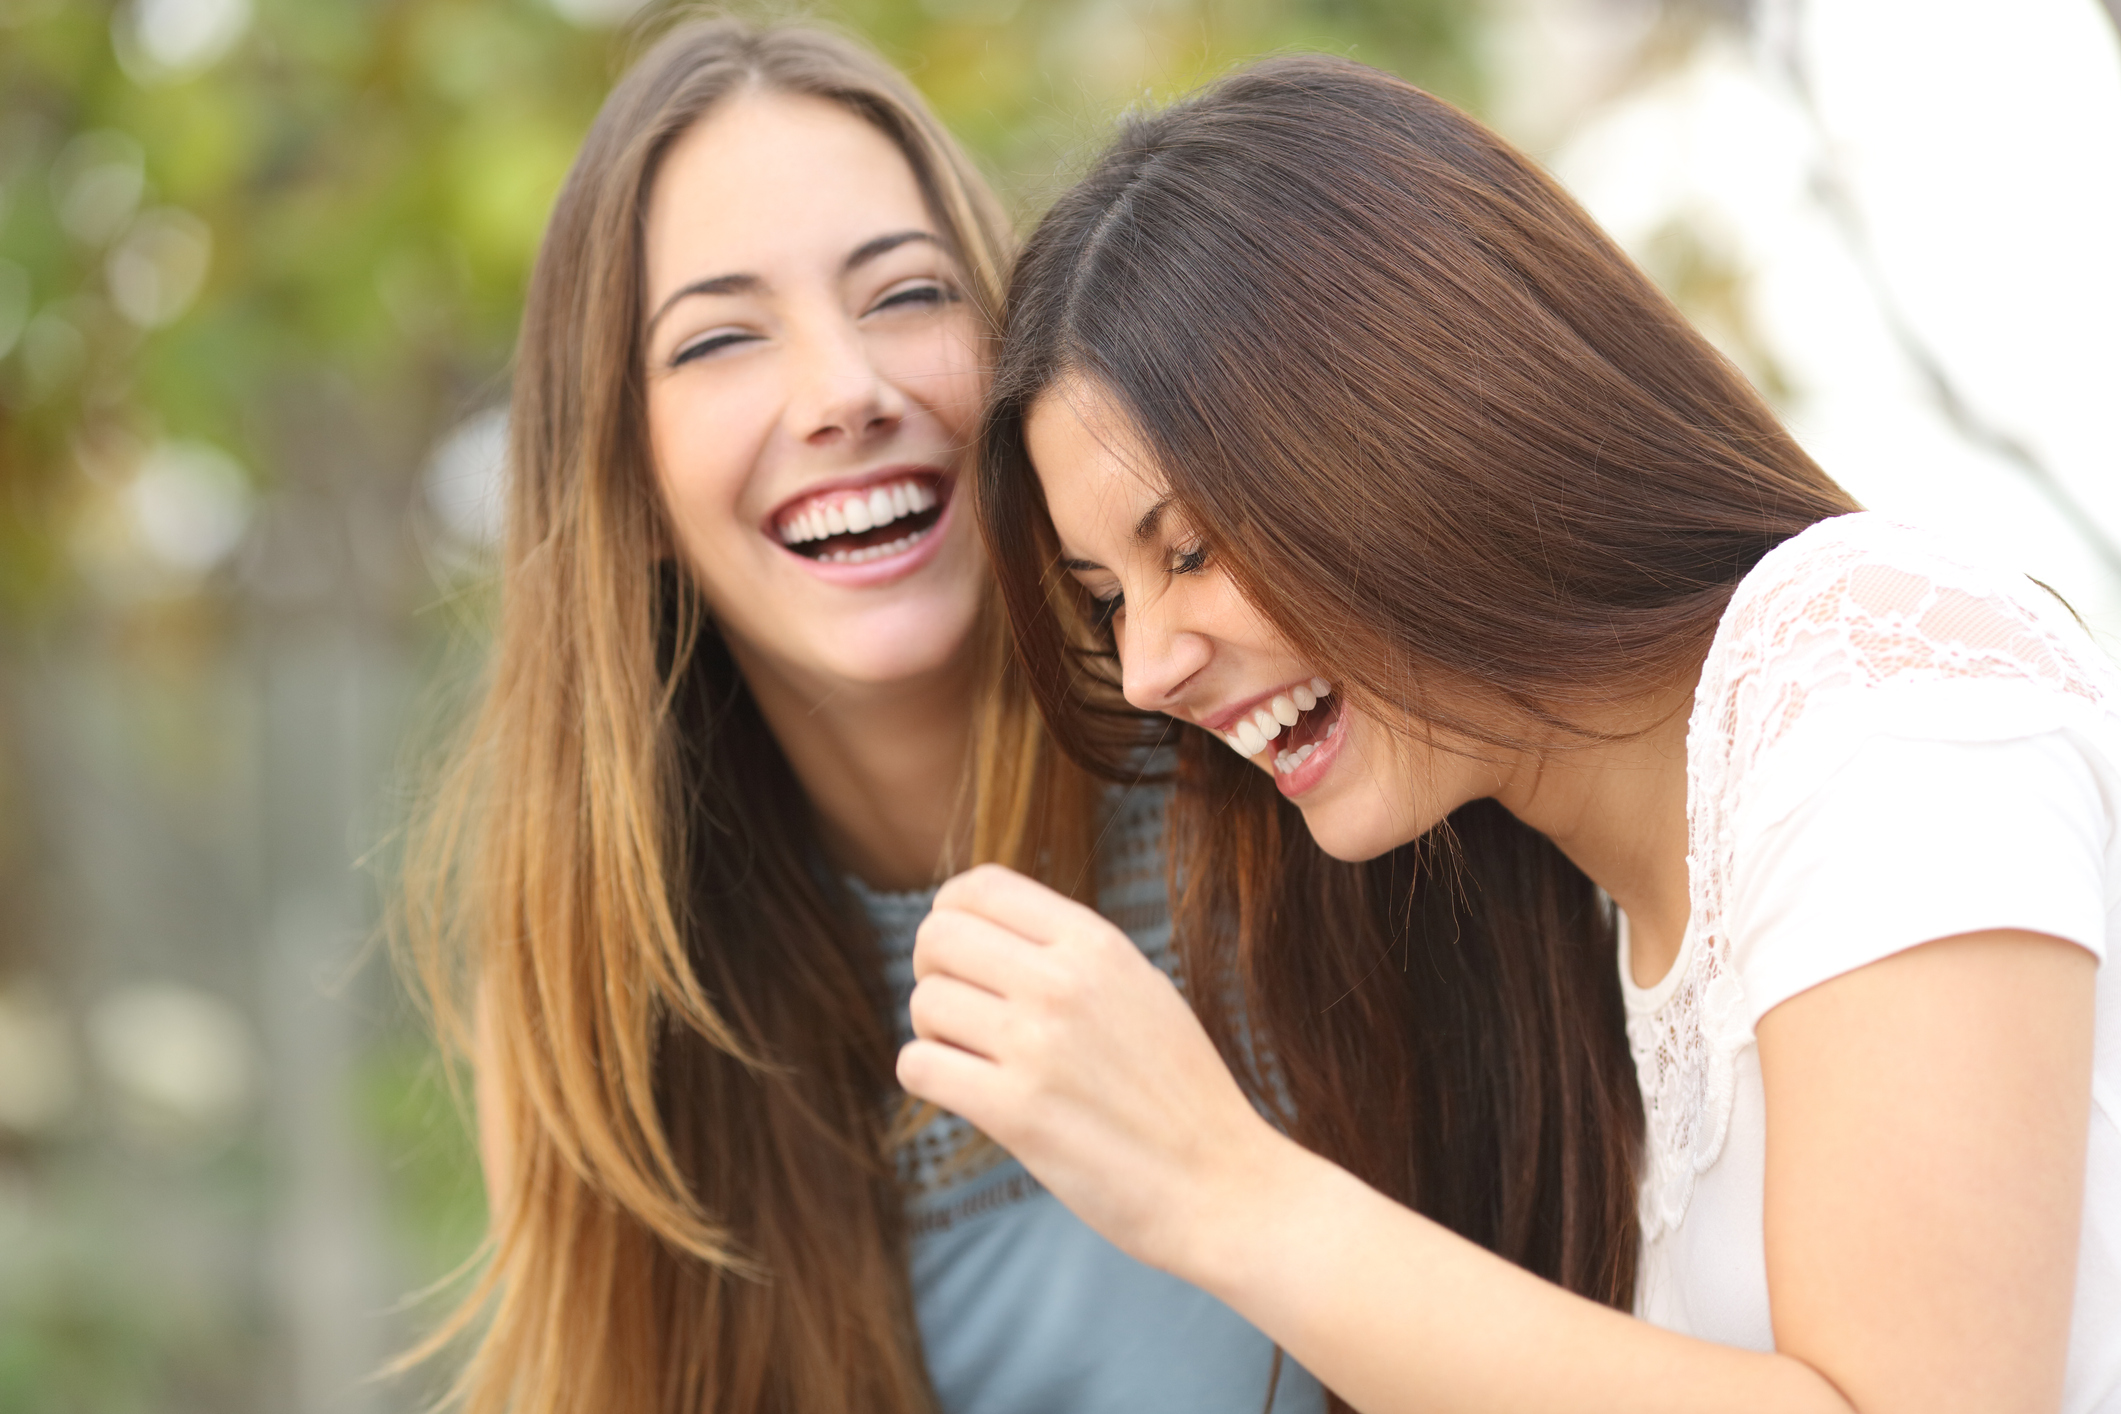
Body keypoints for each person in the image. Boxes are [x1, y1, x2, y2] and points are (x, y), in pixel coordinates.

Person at [900, 54, 2121, 1414]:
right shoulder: (1551, 915)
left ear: (1410, 419)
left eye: (1184, 548)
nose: (1145, 670)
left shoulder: (1868, 664)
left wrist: (1217, 1185)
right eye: (1106, 602)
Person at [401, 18, 1320, 1414]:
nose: (845, 393)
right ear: (628, 483)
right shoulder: (609, 1002)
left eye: (903, 296)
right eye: (717, 337)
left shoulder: (1270, 750)